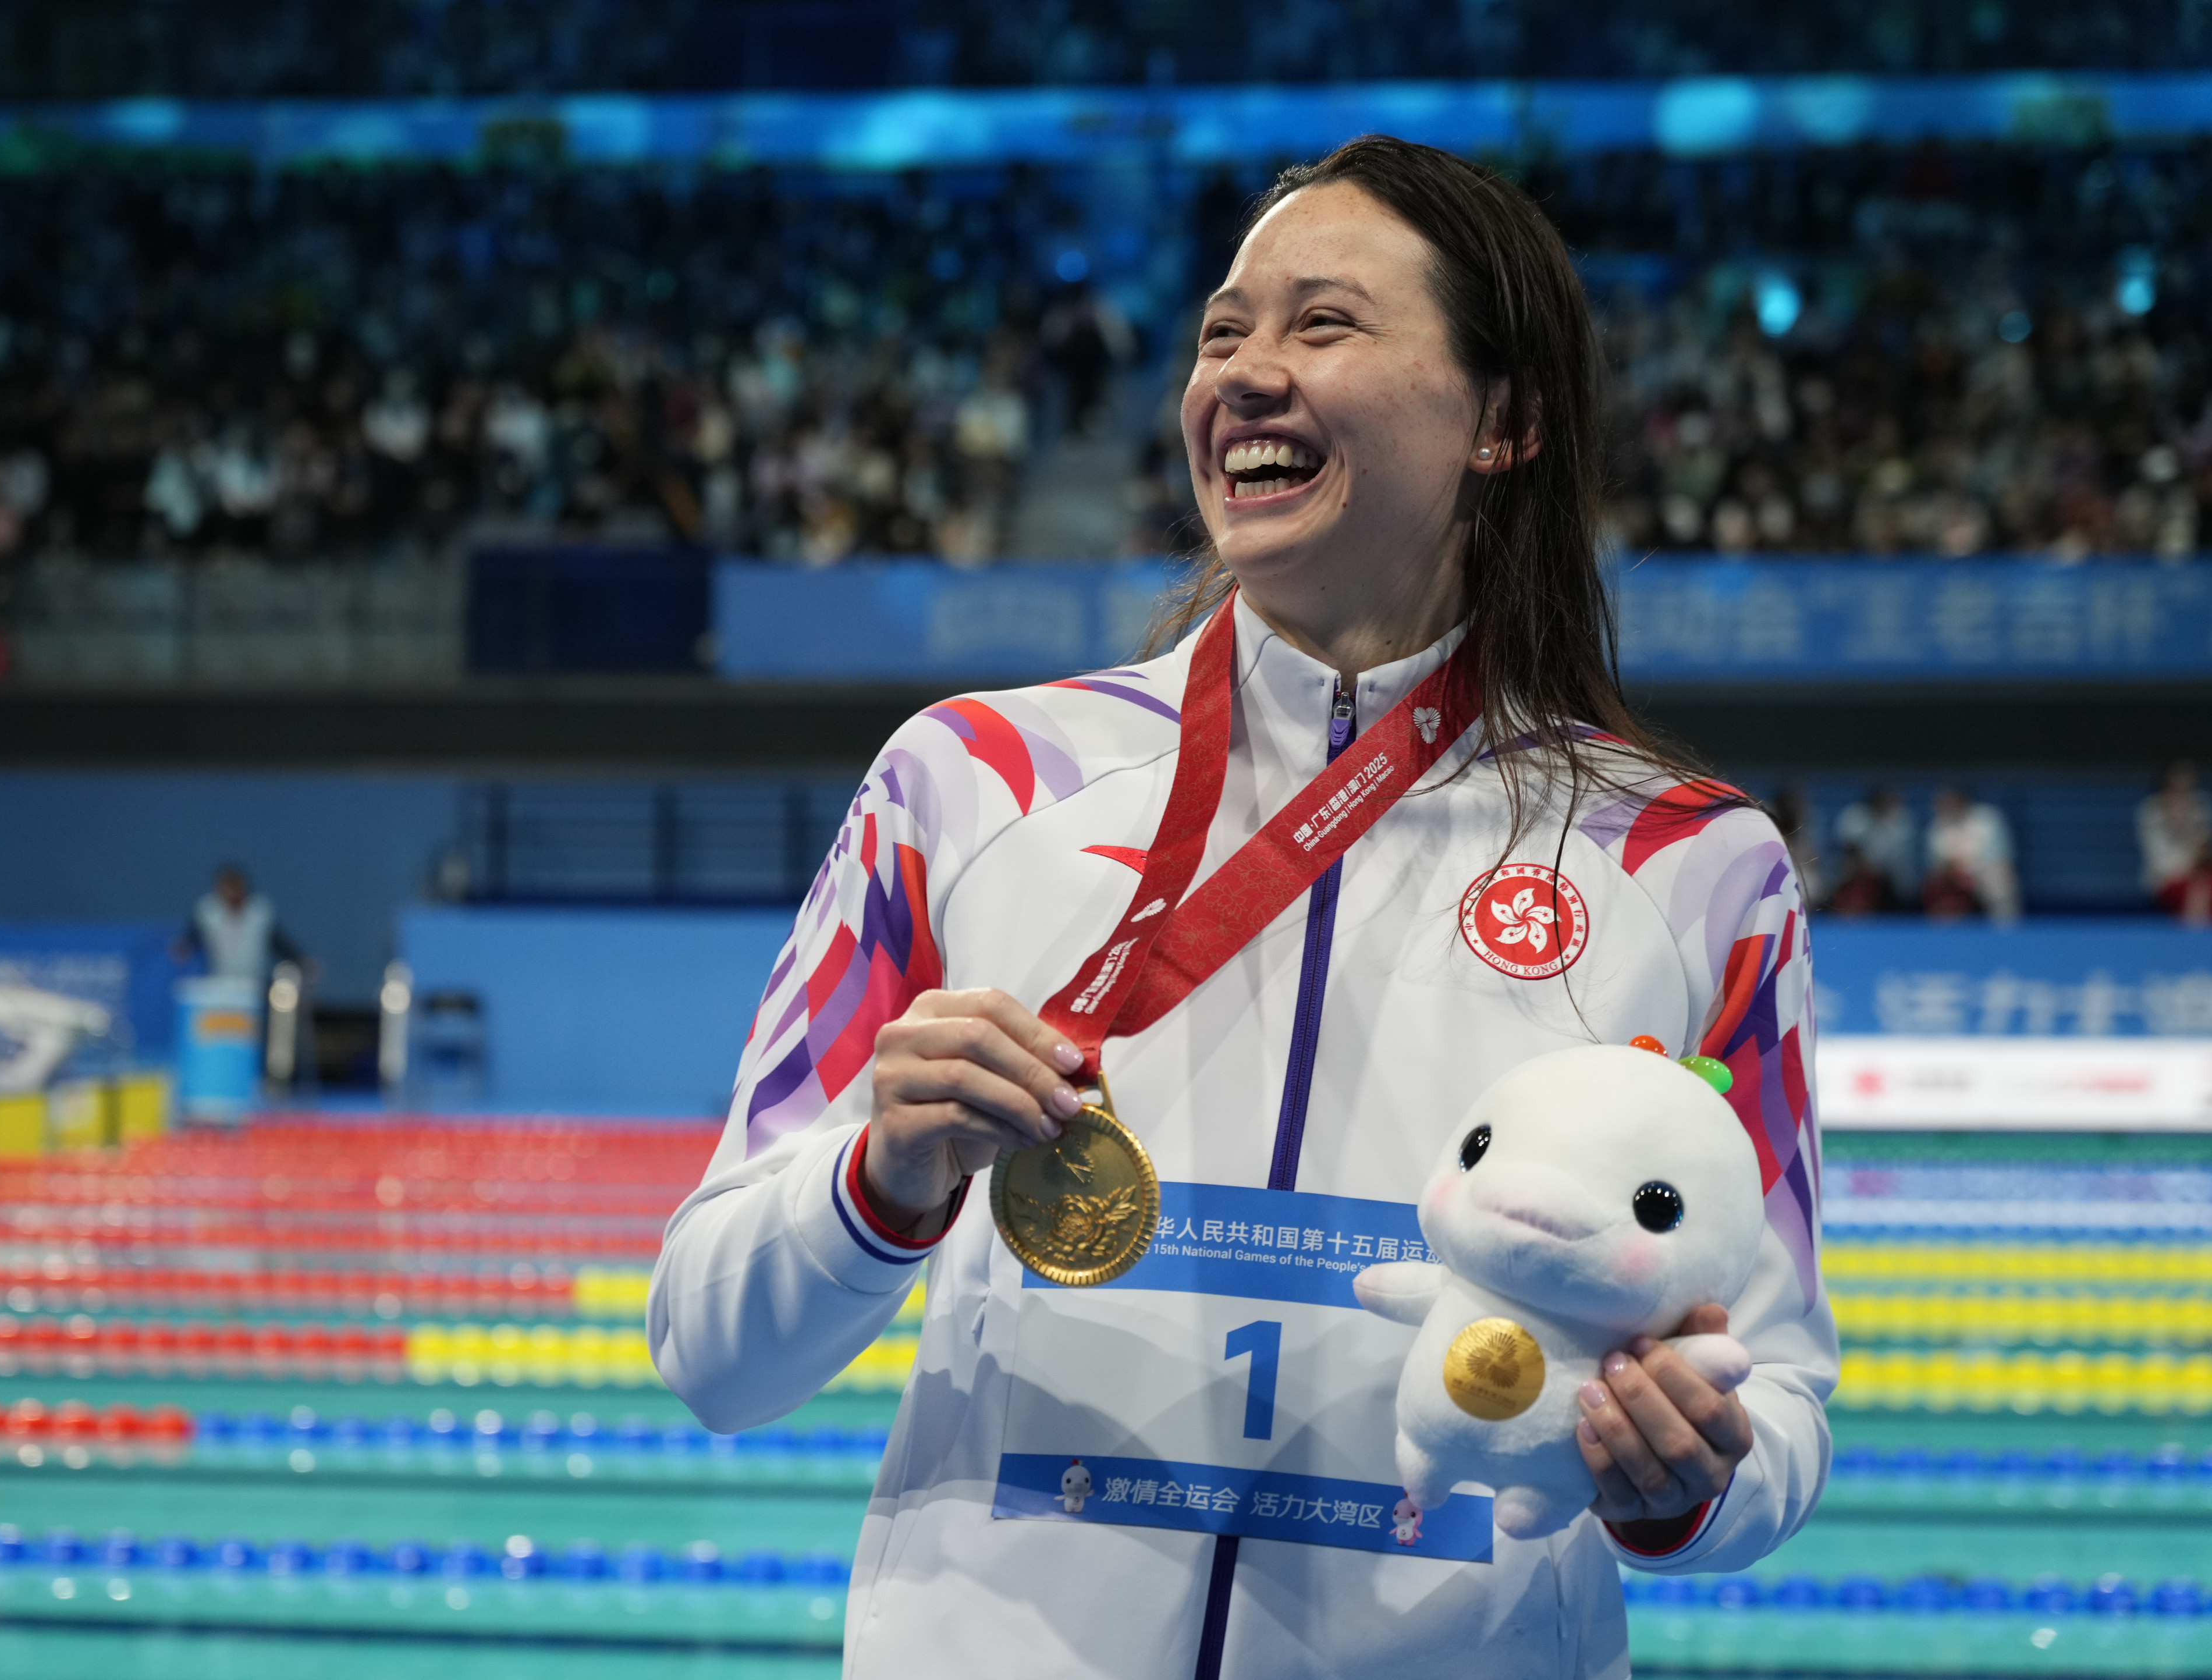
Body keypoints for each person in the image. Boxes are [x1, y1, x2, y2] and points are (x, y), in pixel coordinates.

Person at [649, 138, 1834, 1679]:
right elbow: (709, 1348)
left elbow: (1784, 1391)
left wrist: (1694, 1470)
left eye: (1324, 325)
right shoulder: (974, 779)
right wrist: (880, 1177)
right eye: (1223, 332)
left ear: (1506, 417)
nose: (1248, 375)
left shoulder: (1691, 865)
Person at [175, 865, 306, 985]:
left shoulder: (259, 912)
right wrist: (184, 946)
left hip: (253, 985)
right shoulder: (208, 911)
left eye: (235, 886)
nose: (232, 892)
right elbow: (192, 938)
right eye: (227, 887)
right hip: (219, 982)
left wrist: (300, 960)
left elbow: (278, 942)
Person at [1922, 787, 2020, 925]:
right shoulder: (1938, 825)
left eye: (1950, 803)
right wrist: (1952, 869)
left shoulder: (1988, 818)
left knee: (1999, 879)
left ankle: (2007, 928)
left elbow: (2001, 854)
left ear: (1961, 802)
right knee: (1936, 883)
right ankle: (1946, 931)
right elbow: (1934, 861)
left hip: (1986, 871)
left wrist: (1970, 867)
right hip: (1955, 876)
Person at [2137, 759, 2212, 925]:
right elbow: (2160, 864)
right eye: (2176, 788)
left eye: (2187, 789)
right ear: (2165, 786)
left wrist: (2187, 827)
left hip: (2200, 877)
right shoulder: (2151, 812)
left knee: (2203, 885)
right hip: (2166, 880)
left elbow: (2205, 851)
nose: (2181, 794)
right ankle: (2193, 938)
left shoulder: (2199, 808)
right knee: (2198, 890)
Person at [1833, 785, 1916, 910]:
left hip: (1889, 875)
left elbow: (1898, 856)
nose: (1885, 804)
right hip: (1857, 869)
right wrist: (1864, 864)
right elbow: (1850, 848)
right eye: (1882, 800)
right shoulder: (1856, 816)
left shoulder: (1902, 819)